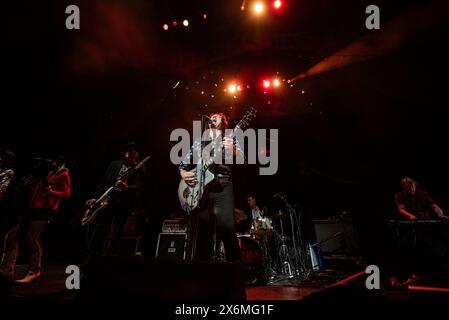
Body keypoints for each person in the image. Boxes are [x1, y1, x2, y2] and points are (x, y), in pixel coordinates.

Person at [179, 113, 244, 262]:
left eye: (217, 116)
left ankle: (235, 271)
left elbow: (243, 160)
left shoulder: (230, 137)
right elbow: (184, 162)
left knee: (227, 228)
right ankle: (203, 273)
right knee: (202, 232)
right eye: (211, 116)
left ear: (224, 122)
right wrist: (183, 172)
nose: (213, 117)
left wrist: (234, 151)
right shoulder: (201, 141)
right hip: (202, 189)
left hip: (223, 185)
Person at [0, 155, 71, 283]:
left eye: (54, 160)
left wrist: (51, 192)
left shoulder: (64, 174)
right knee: (11, 235)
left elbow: (66, 194)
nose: (52, 162)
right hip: (31, 206)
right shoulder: (43, 172)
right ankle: (5, 271)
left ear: (60, 161)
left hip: (46, 209)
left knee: (30, 237)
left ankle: (34, 270)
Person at [83, 142, 145, 270]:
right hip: (105, 203)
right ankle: (90, 262)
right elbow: (104, 182)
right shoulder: (114, 164)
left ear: (136, 154)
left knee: (115, 234)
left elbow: (139, 186)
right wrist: (95, 197)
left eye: (133, 152)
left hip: (122, 204)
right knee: (98, 231)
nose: (129, 154)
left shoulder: (139, 167)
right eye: (127, 151)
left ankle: (109, 266)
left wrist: (127, 188)